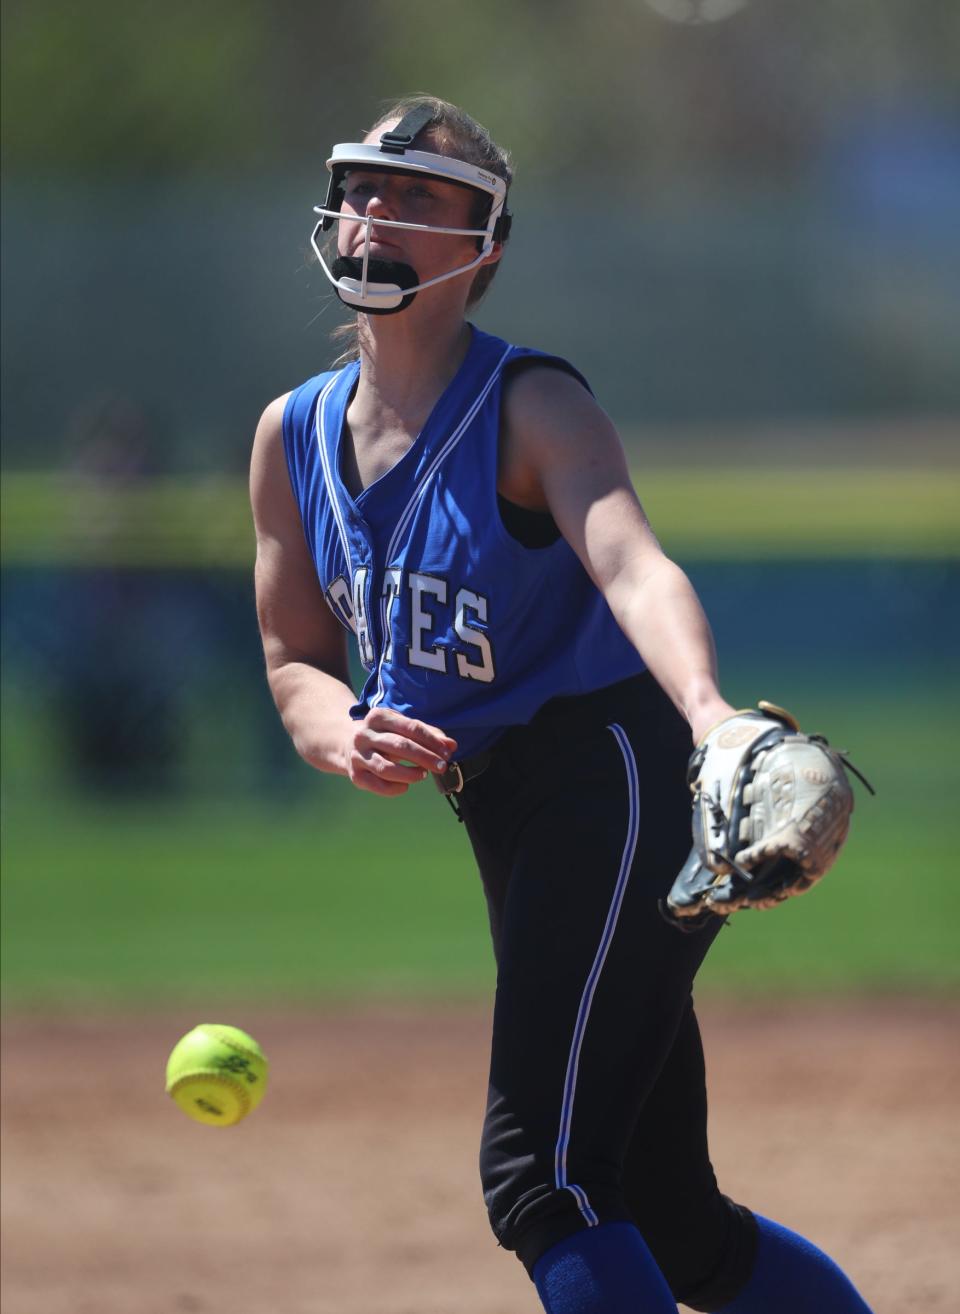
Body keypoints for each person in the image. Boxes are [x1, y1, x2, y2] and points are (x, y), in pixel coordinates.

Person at [250, 96, 873, 1314]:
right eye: (367, 185)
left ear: (483, 243)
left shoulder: (531, 406)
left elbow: (632, 561)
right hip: (509, 815)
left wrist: (712, 719)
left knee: (543, 1181)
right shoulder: (292, 437)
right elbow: (292, 660)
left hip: (621, 780)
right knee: (672, 1218)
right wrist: (344, 734)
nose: (380, 208)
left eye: (421, 196)